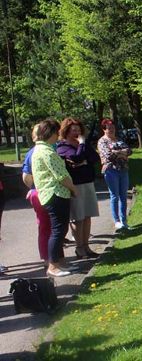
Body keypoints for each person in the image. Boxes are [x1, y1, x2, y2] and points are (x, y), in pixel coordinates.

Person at [31, 118, 78, 277]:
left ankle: (59, 263)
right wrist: (73, 188)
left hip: (52, 194)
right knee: (58, 231)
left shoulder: (40, 149)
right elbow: (61, 175)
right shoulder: (46, 151)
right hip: (55, 194)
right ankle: (53, 266)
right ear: (50, 133)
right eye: (57, 132)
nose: (58, 135)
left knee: (59, 230)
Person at [57, 118, 100, 258]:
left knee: (87, 216)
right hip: (75, 185)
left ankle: (86, 246)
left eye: (78, 129)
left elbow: (95, 158)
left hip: (88, 183)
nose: (77, 132)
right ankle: (79, 248)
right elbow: (76, 158)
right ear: (66, 131)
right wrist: (81, 147)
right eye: (73, 129)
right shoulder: (63, 147)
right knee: (77, 218)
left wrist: (83, 157)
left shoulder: (83, 144)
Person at [22, 123, 54, 268]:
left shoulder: (42, 150)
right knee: (47, 227)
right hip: (44, 193)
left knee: (50, 227)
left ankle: (52, 258)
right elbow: (26, 176)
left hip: (41, 192)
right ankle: (49, 259)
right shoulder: (38, 151)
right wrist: (36, 187)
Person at [97, 119, 132, 230]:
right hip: (111, 171)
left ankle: (124, 220)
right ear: (104, 129)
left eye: (113, 128)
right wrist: (122, 152)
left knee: (123, 195)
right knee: (114, 196)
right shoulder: (102, 141)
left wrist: (117, 152)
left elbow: (130, 151)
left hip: (123, 169)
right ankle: (116, 221)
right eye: (109, 128)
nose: (111, 130)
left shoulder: (119, 139)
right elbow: (108, 156)